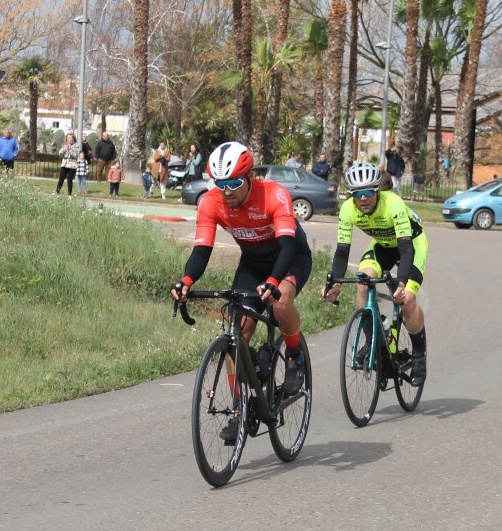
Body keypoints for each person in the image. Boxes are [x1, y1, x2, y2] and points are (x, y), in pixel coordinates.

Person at [171, 142, 311, 442]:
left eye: (234, 182)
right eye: (221, 183)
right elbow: (202, 250)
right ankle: (239, 409)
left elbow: (287, 246)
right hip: (253, 262)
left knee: (280, 303)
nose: (227, 190)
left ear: (249, 178)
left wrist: (274, 282)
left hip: (290, 257)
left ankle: (294, 355)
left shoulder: (273, 194)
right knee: (237, 334)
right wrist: (186, 281)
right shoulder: (211, 203)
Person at [323, 161, 428, 386]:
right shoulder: (347, 209)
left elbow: (406, 248)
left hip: (411, 244)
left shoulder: (393, 203)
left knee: (407, 300)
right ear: (351, 194)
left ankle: (419, 354)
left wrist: (402, 282)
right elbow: (342, 252)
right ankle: (372, 341)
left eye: (369, 192)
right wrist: (335, 283)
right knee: (363, 281)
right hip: (382, 245)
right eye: (357, 194)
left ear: (377, 189)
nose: (363, 198)